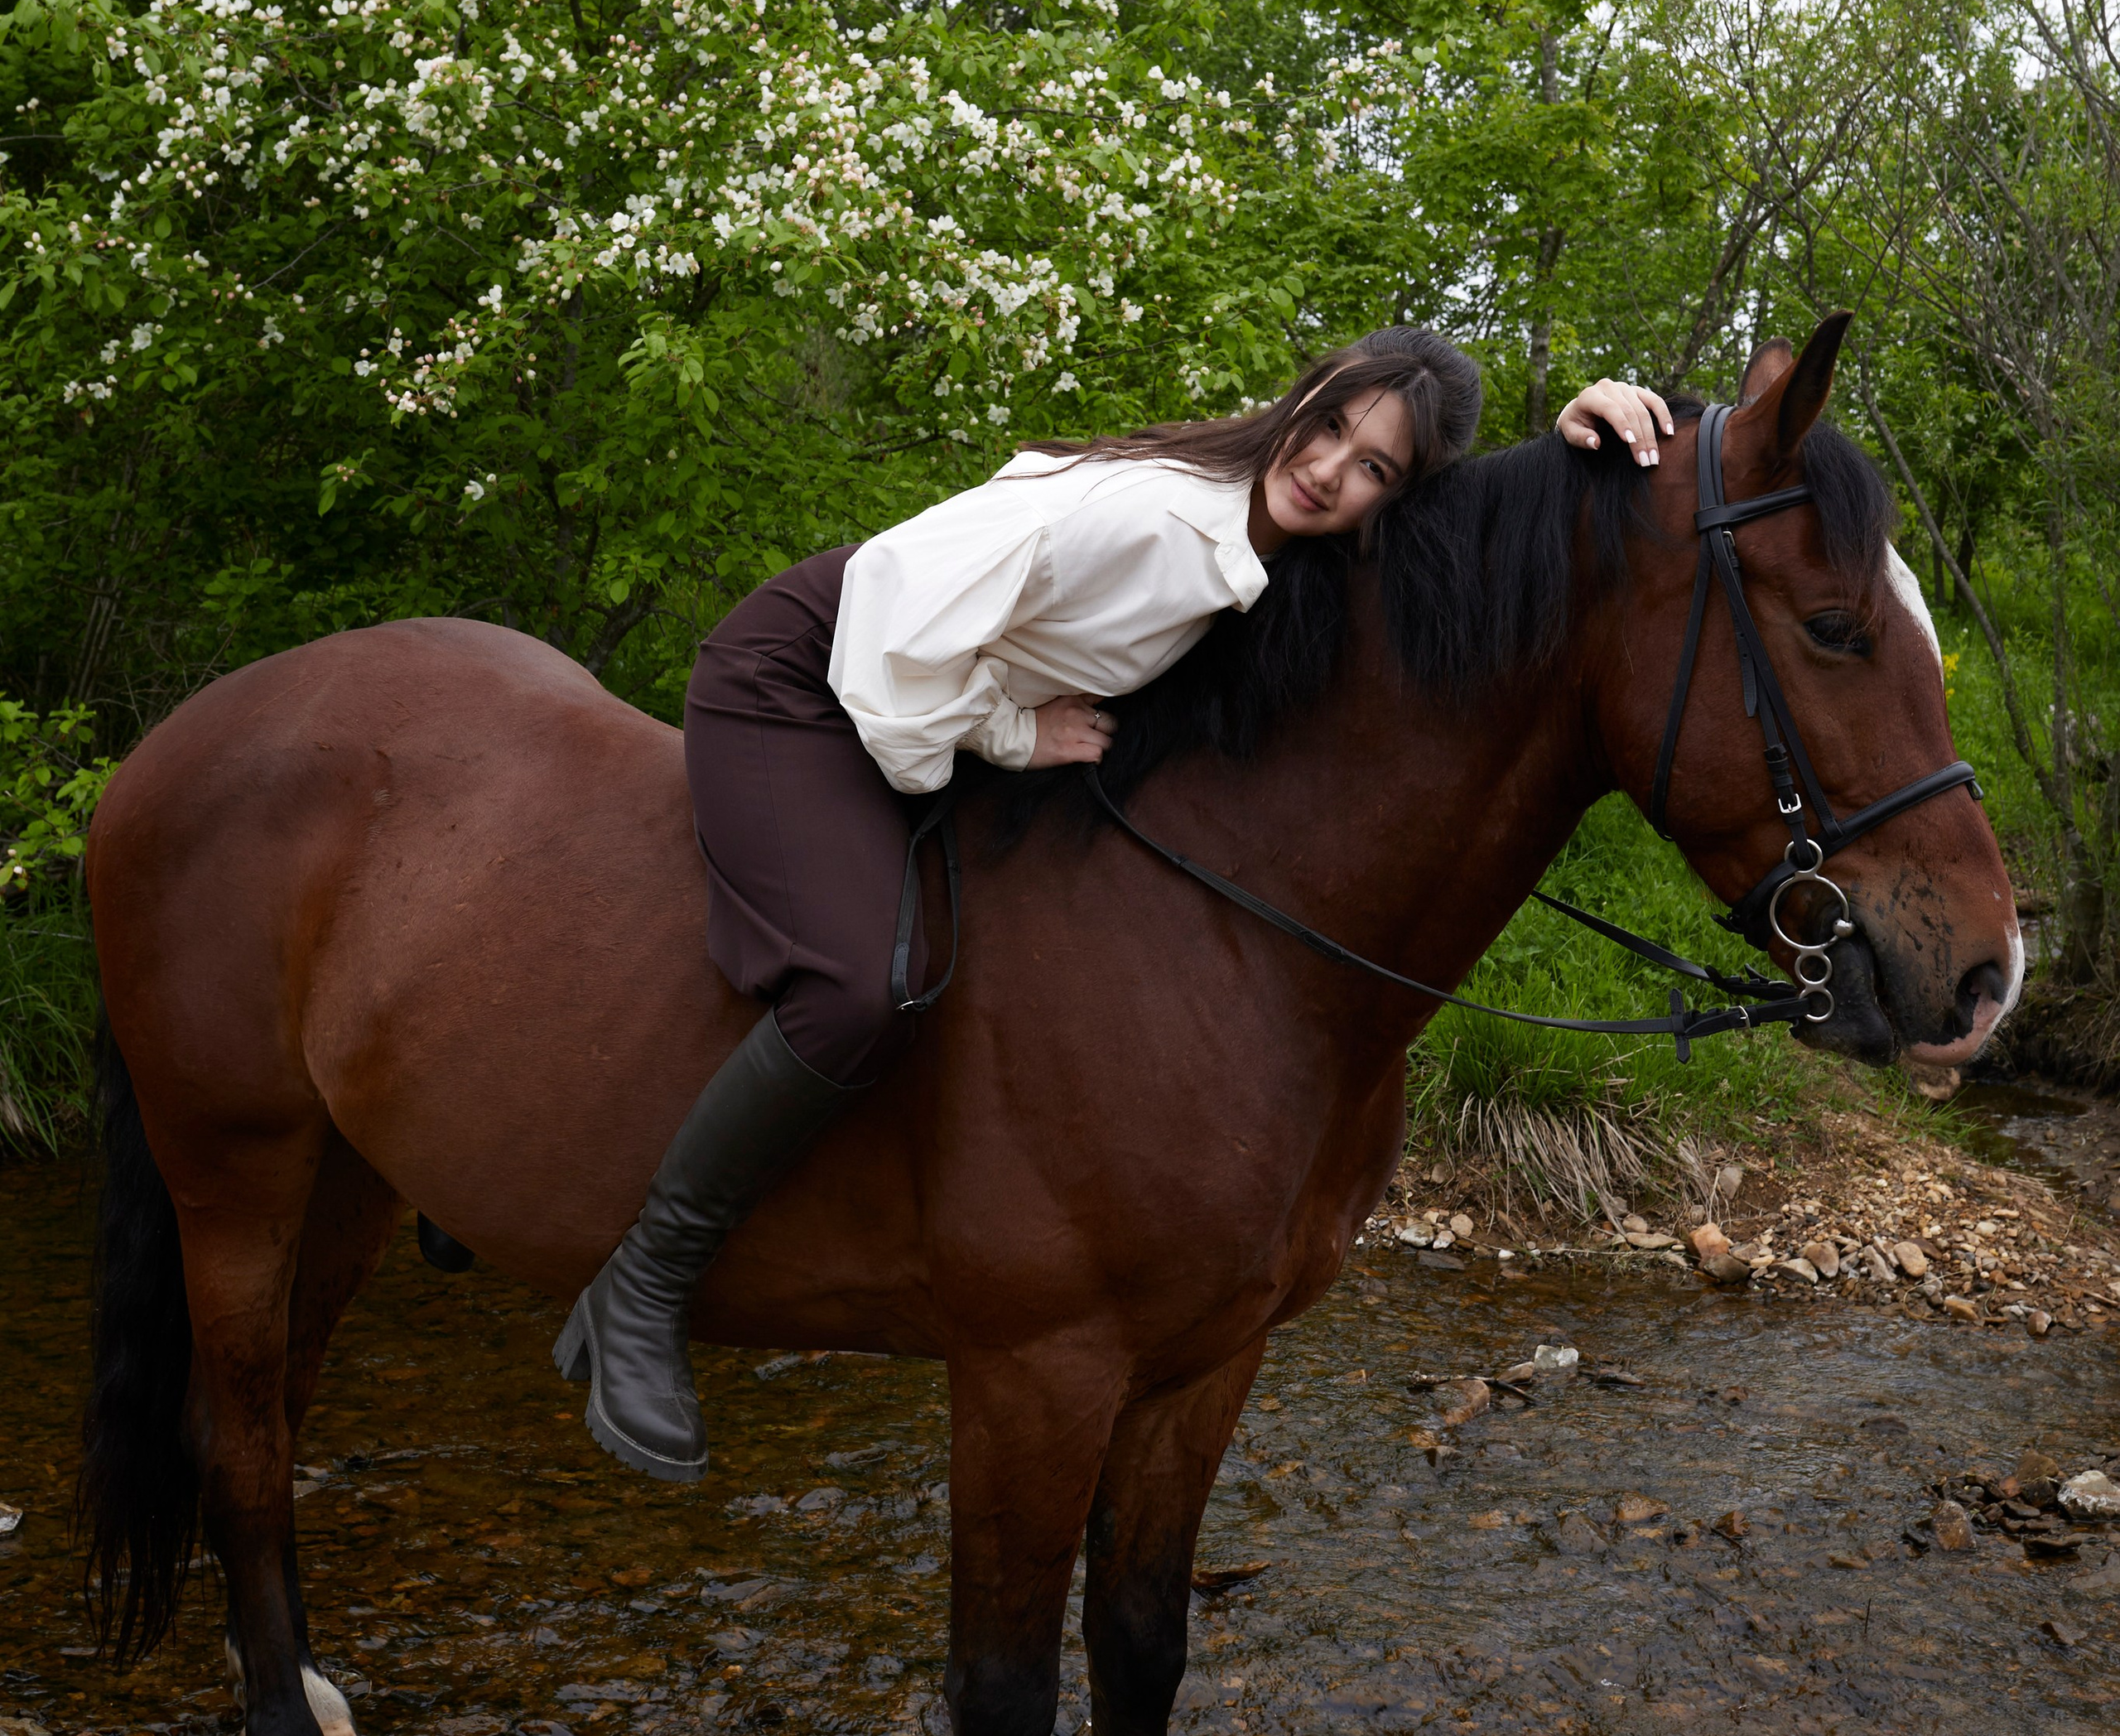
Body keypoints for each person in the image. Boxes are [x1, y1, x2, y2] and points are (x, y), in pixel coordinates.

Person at [554, 333, 1674, 1479]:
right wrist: (1010, 733)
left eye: (1378, 469)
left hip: (935, 694)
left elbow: (1470, 548)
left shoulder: (1278, 534)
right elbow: (891, 630)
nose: (1334, 469)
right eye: (1333, 425)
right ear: (1304, 400)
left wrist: (1577, 442)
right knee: (858, 985)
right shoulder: (1154, 520)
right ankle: (643, 1284)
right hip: (819, 683)